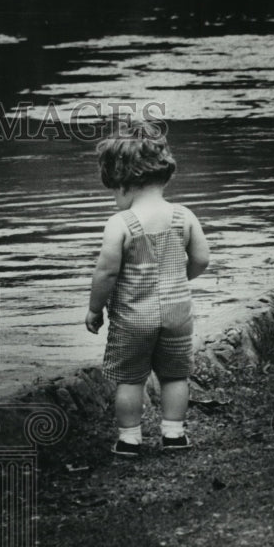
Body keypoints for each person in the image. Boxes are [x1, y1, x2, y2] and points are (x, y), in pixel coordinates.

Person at [85, 122, 210, 457]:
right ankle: (174, 435)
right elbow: (201, 259)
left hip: (133, 318)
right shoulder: (184, 216)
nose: (115, 199)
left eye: (113, 191)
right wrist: (178, 277)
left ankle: (129, 439)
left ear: (123, 184)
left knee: (130, 380)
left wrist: (95, 309)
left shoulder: (121, 223)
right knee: (174, 376)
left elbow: (106, 273)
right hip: (177, 314)